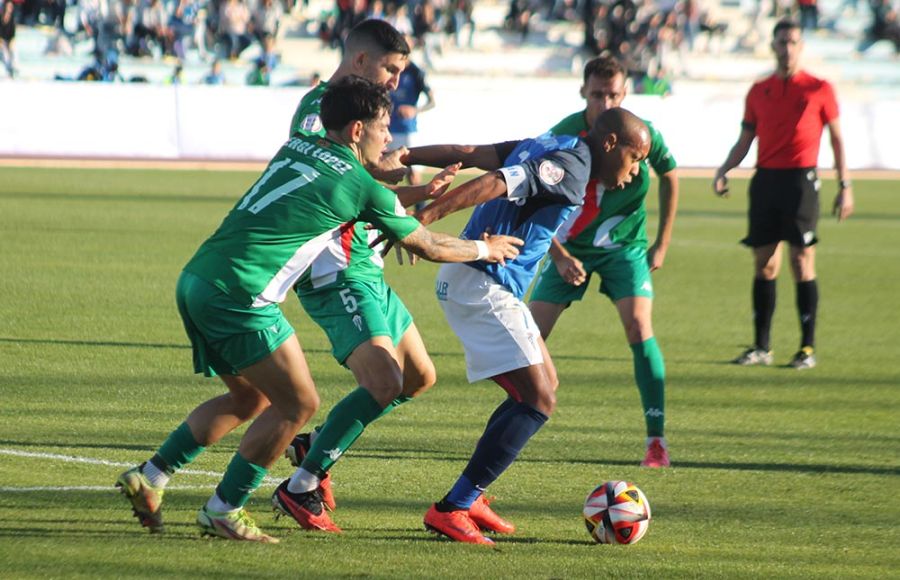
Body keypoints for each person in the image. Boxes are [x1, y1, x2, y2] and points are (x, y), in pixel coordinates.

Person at [115, 76, 523, 543]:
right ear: (355, 130)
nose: (389, 138)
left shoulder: (300, 145)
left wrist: (415, 192)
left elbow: (347, 200)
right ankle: (224, 508)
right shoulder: (358, 184)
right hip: (242, 294)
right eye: (382, 126)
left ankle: (152, 477)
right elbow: (425, 244)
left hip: (198, 278)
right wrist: (482, 248)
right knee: (299, 403)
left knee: (250, 399)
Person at [403, 107, 651, 545]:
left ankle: (470, 496)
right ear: (611, 144)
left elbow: (469, 153)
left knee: (541, 387)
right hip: (482, 283)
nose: (634, 173)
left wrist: (403, 155)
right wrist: (424, 219)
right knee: (538, 399)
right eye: (635, 159)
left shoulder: (553, 145)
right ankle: (453, 507)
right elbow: (495, 182)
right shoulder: (573, 164)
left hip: (489, 284)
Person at [274, 18, 448, 527]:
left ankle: (315, 442)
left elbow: (367, 178)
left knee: (420, 377)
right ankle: (301, 485)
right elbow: (329, 178)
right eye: (391, 68)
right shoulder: (315, 112)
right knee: (386, 380)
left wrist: (414, 196)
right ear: (360, 61)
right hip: (336, 265)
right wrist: (387, 181)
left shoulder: (367, 114)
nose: (396, 80)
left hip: (363, 261)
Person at [528, 55, 678, 468]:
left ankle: (656, 441)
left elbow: (671, 174)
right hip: (568, 248)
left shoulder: (640, 135)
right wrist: (558, 256)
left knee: (639, 325)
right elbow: (531, 198)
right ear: (583, 93)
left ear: (625, 93)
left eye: (614, 95)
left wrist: (662, 243)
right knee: (526, 335)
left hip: (624, 246)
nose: (607, 103)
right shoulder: (563, 135)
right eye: (598, 95)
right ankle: (518, 424)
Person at [713, 18, 854, 370]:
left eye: (793, 42)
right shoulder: (758, 90)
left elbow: (836, 139)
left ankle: (807, 348)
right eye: (781, 42)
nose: (787, 48)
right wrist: (724, 169)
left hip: (801, 181)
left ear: (801, 46)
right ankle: (762, 346)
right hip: (766, 182)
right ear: (773, 46)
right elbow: (745, 139)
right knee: (765, 264)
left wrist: (845, 186)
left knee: (801, 260)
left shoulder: (819, 88)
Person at [389, 40, 435, 196]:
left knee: (413, 175)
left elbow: (432, 102)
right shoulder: (388, 70)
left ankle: (420, 213)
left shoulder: (416, 72)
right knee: (376, 171)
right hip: (385, 130)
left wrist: (415, 110)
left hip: (407, 130)